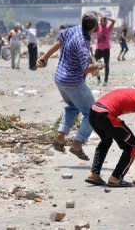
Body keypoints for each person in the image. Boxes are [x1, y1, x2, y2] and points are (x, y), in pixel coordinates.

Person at [37, 14, 100, 161]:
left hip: (60, 79)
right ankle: (77, 144)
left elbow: (59, 43)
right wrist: (97, 66)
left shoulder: (74, 30)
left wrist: (45, 57)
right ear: (93, 29)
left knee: (73, 106)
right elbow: (85, 68)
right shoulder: (83, 43)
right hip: (73, 82)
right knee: (93, 113)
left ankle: (60, 139)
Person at [85, 73, 135, 187]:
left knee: (106, 140)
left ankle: (94, 174)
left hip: (93, 112)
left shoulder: (125, 90)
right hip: (106, 116)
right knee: (133, 145)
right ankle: (116, 178)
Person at [94, 16, 115, 86]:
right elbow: (93, 23)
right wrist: (97, 17)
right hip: (98, 49)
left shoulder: (108, 28)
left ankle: (105, 81)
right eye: (102, 21)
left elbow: (114, 21)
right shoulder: (98, 27)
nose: (103, 22)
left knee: (106, 65)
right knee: (94, 63)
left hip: (106, 49)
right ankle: (98, 79)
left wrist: (107, 17)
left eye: (104, 21)